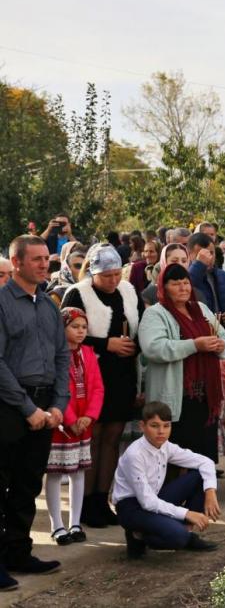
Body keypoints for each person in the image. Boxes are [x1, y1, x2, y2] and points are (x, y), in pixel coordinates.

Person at [0, 235, 70, 587]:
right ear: (17, 263)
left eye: (47, 258)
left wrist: (58, 404)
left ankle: (17, 552)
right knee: (2, 483)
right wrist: (28, 408)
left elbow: (62, 356)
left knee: (28, 484)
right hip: (10, 406)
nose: (45, 264)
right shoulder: (1, 303)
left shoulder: (48, 305)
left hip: (45, 406)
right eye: (37, 259)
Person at [61, 243, 142, 528]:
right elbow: (67, 333)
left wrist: (134, 347)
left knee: (112, 437)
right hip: (90, 374)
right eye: (106, 275)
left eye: (117, 274)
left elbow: (140, 327)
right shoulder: (78, 293)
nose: (113, 280)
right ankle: (84, 505)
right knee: (92, 438)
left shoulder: (128, 291)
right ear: (93, 273)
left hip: (122, 375)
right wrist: (106, 344)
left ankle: (101, 500)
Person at [138, 264, 225, 461]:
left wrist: (220, 345)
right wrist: (195, 345)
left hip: (206, 394)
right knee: (178, 453)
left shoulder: (202, 309)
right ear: (163, 287)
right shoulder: (156, 313)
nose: (183, 288)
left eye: (186, 283)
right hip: (177, 394)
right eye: (176, 284)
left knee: (203, 453)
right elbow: (153, 348)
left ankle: (203, 491)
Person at [112, 402, 220, 558]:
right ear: (142, 426)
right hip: (131, 508)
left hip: (154, 498)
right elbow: (147, 502)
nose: (161, 432)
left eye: (166, 426)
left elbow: (205, 462)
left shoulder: (166, 446)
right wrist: (187, 513)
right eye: (154, 426)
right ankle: (139, 536)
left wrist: (210, 492)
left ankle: (185, 532)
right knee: (178, 538)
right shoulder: (134, 455)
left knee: (200, 477)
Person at [45, 308, 103, 546]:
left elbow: (98, 387)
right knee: (56, 473)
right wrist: (69, 420)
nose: (80, 332)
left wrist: (89, 416)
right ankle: (56, 525)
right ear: (62, 328)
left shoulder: (88, 353)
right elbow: (56, 388)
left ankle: (75, 522)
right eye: (74, 326)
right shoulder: (54, 355)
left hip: (83, 423)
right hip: (61, 424)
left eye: (84, 327)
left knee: (78, 471)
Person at [187, 233, 225, 328]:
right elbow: (189, 285)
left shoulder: (224, 276)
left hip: (223, 333)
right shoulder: (185, 276)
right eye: (201, 254)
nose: (208, 257)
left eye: (211, 252)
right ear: (189, 255)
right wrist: (199, 264)